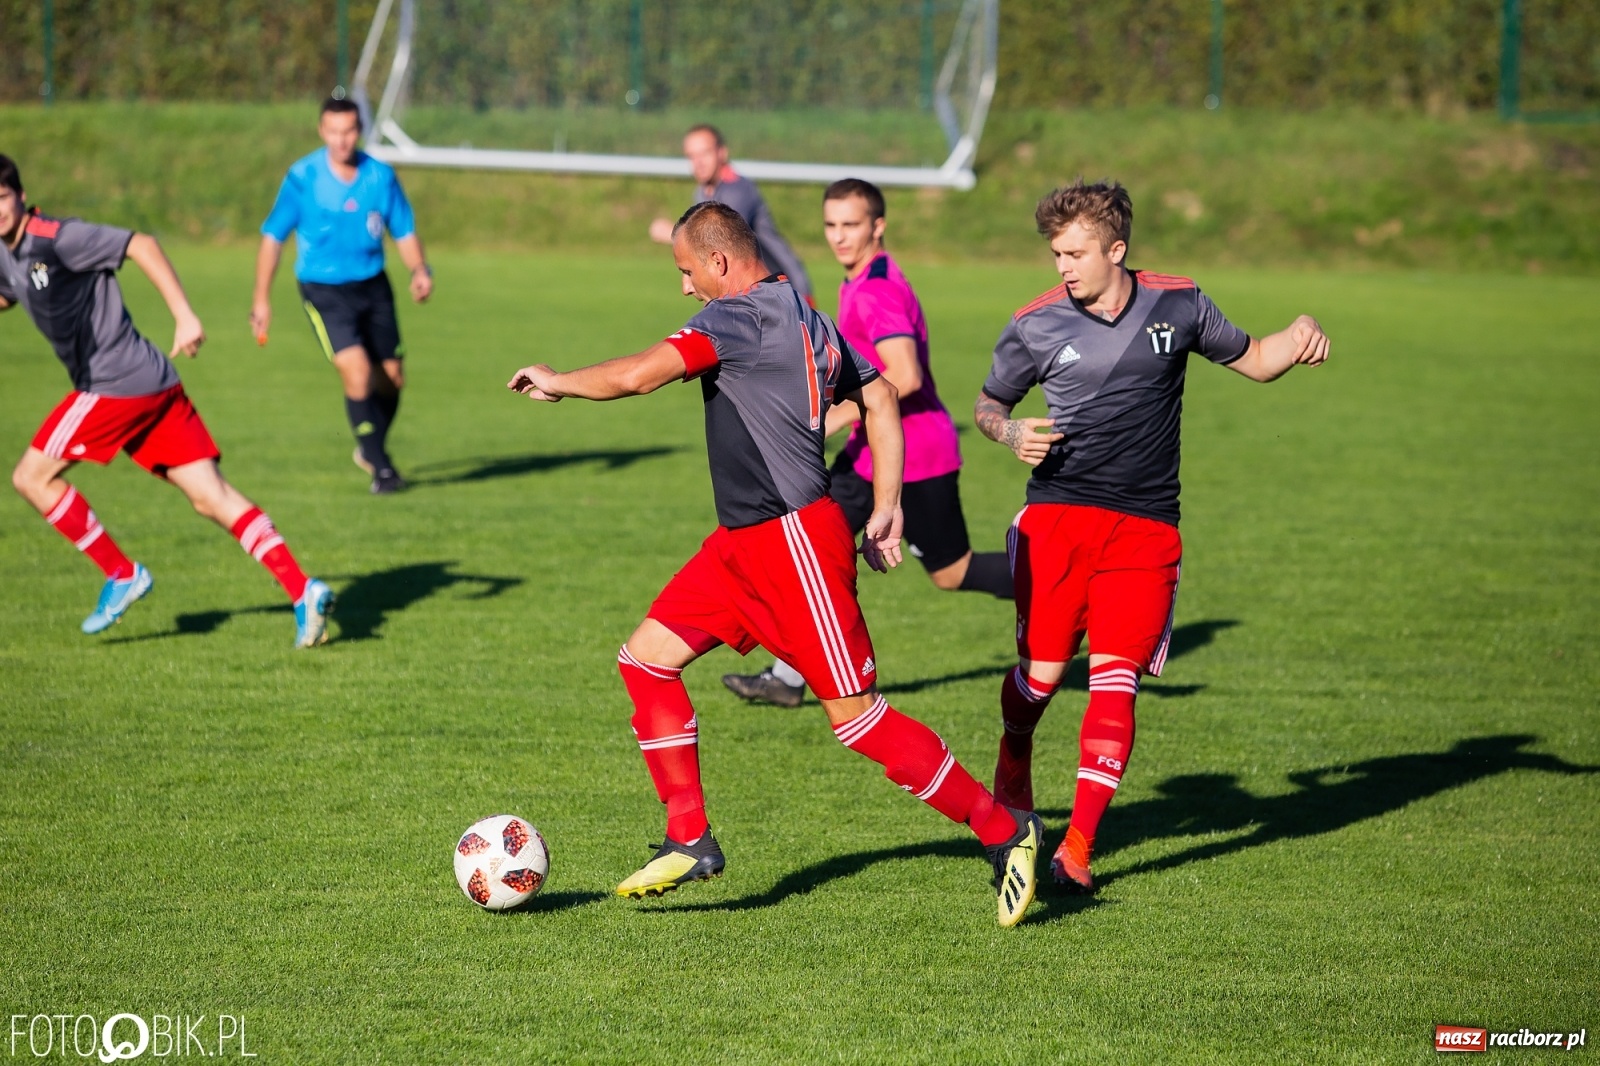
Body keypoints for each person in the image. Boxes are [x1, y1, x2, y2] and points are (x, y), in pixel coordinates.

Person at [508, 201, 1043, 927]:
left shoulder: (733, 318)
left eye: (687, 271)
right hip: (738, 546)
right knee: (644, 661)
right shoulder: (810, 317)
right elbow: (880, 394)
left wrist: (558, 379)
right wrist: (886, 502)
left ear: (720, 263)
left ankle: (1003, 830)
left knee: (855, 719)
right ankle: (689, 837)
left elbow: (640, 375)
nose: (686, 288)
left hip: (795, 544)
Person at [974, 179, 1329, 893]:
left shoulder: (1179, 302)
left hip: (1146, 531)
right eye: (1055, 253)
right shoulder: (1035, 322)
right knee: (1041, 680)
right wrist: (1011, 432)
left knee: (1116, 683)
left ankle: (1075, 852)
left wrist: (1297, 335)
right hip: (1059, 523)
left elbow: (1257, 359)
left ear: (1117, 249)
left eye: (1075, 253)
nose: (1063, 267)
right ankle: (1014, 757)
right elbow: (989, 404)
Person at [0, 154, 333, 647]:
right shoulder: (8, 255)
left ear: (20, 195)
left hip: (114, 383)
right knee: (210, 497)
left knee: (30, 476)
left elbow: (141, 244)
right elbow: (12, 291)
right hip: (154, 384)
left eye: (1, 198)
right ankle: (302, 589)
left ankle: (121, 574)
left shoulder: (58, 236)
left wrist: (184, 315)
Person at [722, 178, 1013, 708]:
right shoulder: (862, 278)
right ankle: (788, 679)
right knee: (815, 550)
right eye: (831, 224)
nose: (839, 236)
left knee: (951, 572)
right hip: (875, 449)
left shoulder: (876, 288)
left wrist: (826, 418)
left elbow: (905, 374)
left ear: (878, 226)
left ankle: (1071, 588)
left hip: (913, 455)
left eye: (851, 225)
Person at [251, 96, 432, 494]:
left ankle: (370, 447)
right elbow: (273, 237)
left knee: (392, 379)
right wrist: (261, 300)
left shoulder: (380, 177)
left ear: (359, 130)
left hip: (373, 285)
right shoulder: (303, 178)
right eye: (333, 131)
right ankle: (382, 468)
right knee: (356, 370)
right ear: (321, 131)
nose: (341, 140)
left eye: (348, 130)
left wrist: (419, 270)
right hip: (324, 289)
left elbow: (402, 228)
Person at [648, 125, 812, 303]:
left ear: (722, 153)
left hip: (786, 290)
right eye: (691, 156)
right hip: (754, 293)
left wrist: (672, 233)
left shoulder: (738, 189)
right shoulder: (703, 192)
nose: (698, 162)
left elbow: (719, 238)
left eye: (704, 153)